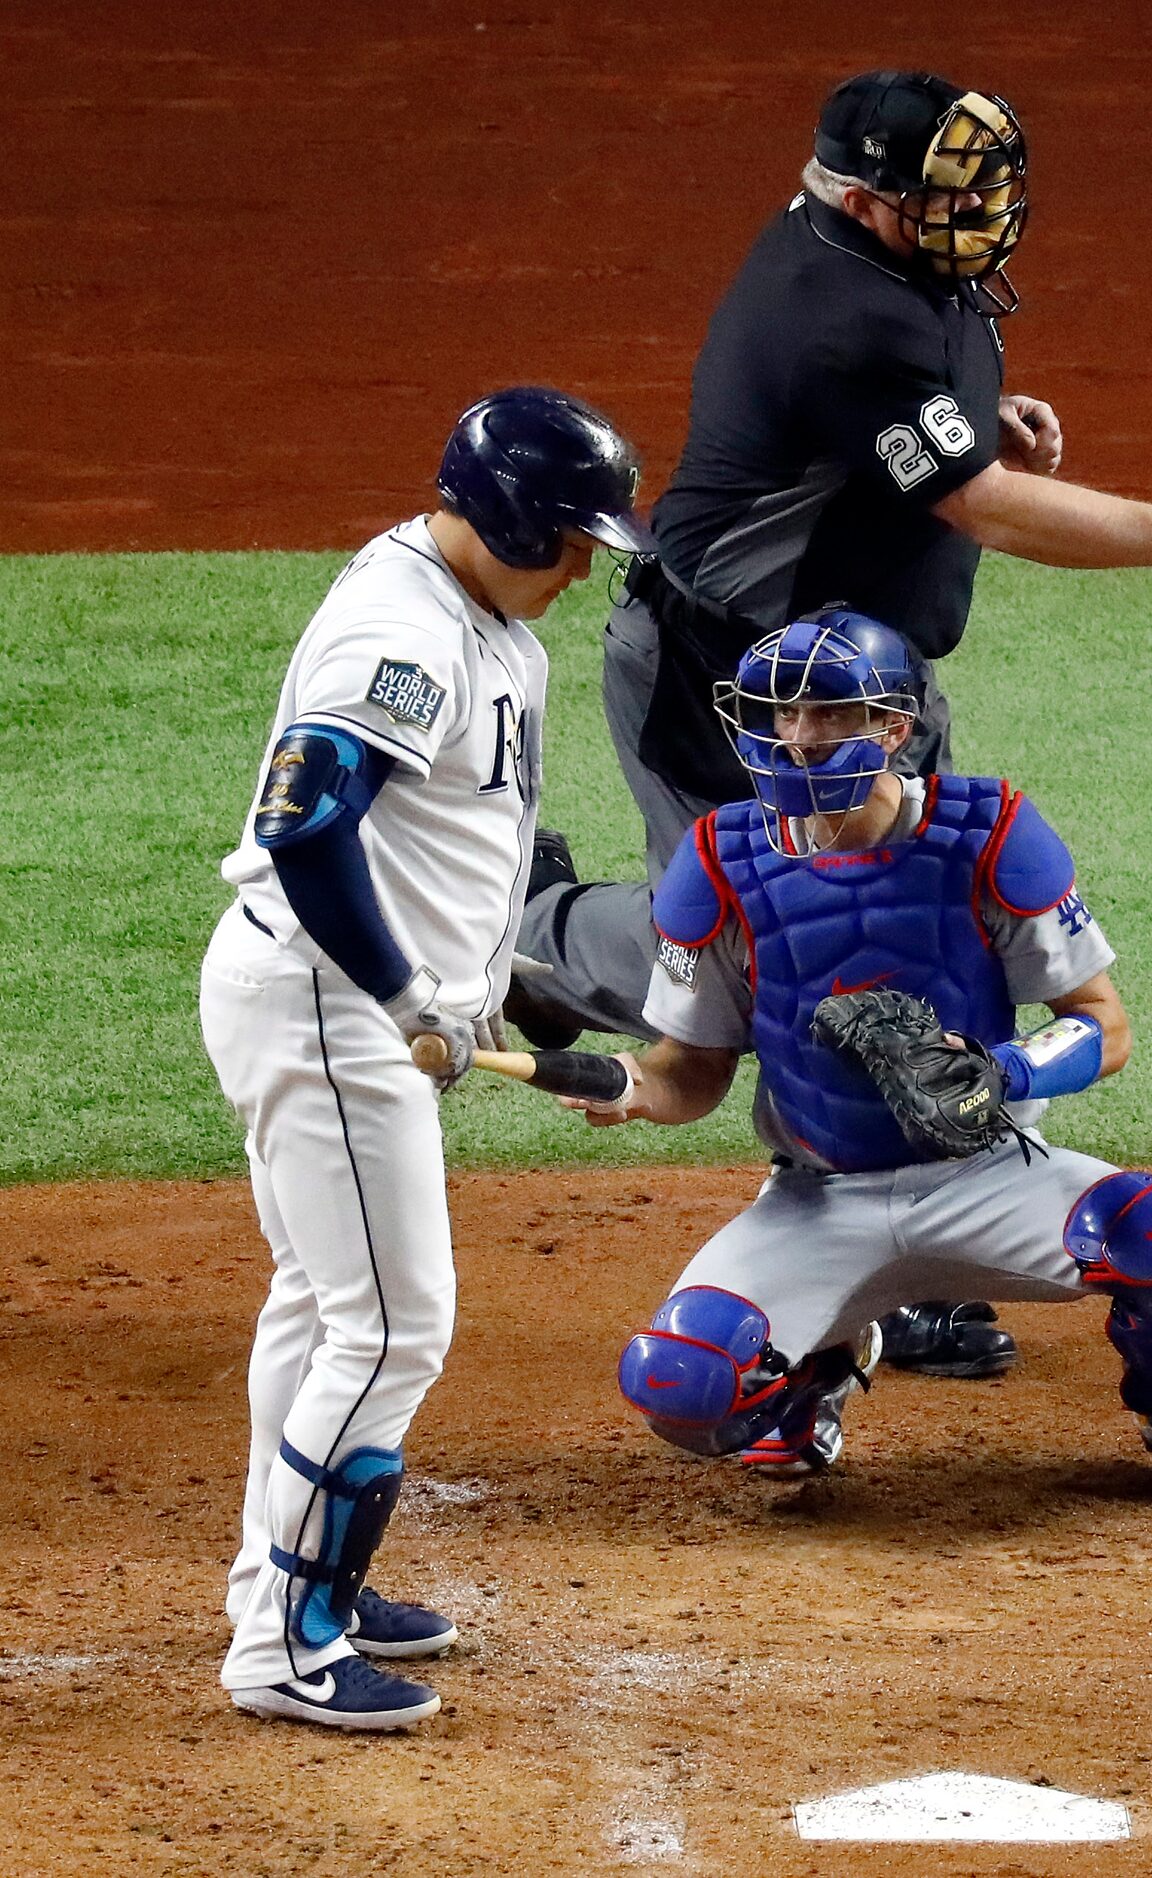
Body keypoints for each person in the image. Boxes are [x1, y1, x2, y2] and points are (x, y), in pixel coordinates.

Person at [512, 66, 1152, 1378]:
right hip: (736, 676)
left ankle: (935, 1205)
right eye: (948, 194)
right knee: (772, 930)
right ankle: (536, 942)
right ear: (868, 204)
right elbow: (974, 504)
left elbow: (926, 428)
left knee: (903, 922)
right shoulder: (838, 315)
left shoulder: (902, 266)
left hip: (860, 680)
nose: (981, 212)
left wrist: (985, 420)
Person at [199, 387, 654, 1732]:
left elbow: (442, 835)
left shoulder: (485, 616)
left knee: (324, 1307)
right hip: (330, 1006)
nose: (583, 567)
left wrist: (485, 978)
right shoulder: (401, 633)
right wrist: (408, 994)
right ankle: (287, 1642)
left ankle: (283, 1583)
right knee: (395, 1323)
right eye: (570, 539)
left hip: (355, 1004)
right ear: (510, 517)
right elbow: (308, 827)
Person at [562, 611, 1152, 1495]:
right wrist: (630, 1087)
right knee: (680, 1385)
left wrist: (1008, 1071)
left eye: (829, 716)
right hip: (820, 1199)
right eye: (783, 717)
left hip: (990, 1178)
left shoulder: (987, 833)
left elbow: (1103, 1025)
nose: (800, 740)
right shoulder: (720, 863)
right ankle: (817, 1366)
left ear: (893, 728)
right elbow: (690, 1074)